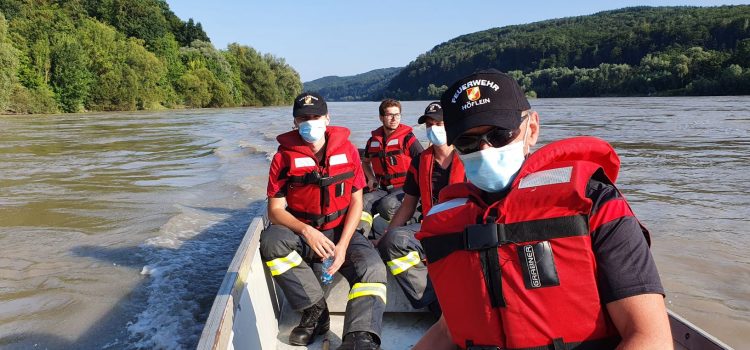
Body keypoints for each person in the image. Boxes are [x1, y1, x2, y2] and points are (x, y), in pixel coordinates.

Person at [413, 70, 672, 350]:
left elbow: (649, 337)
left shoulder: (595, 202)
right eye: (467, 142)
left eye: (499, 135)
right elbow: (450, 329)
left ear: (531, 128)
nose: (485, 149)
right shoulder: (448, 221)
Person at [260, 92, 385, 350]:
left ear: (327, 118)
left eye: (315, 116)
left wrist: (342, 247)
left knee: (373, 268)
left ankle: (359, 338)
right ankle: (316, 312)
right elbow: (274, 210)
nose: (310, 122)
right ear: (294, 122)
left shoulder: (349, 150)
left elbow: (357, 202)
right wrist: (307, 232)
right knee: (271, 241)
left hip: (341, 230)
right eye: (303, 118)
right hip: (303, 232)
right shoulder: (283, 158)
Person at [376, 101, 465, 314]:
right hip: (430, 228)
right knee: (393, 242)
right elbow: (408, 205)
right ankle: (435, 303)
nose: (433, 128)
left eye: (439, 123)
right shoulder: (420, 162)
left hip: (464, 228)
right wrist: (385, 235)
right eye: (429, 124)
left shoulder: (469, 156)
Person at [359, 99, 424, 238]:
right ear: (381, 117)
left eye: (397, 114)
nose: (394, 119)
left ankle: (403, 230)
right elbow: (365, 162)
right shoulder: (372, 141)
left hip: (406, 190)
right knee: (363, 202)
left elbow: (423, 161)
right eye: (390, 115)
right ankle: (362, 238)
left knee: (386, 206)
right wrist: (371, 178)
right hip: (383, 188)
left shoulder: (408, 139)